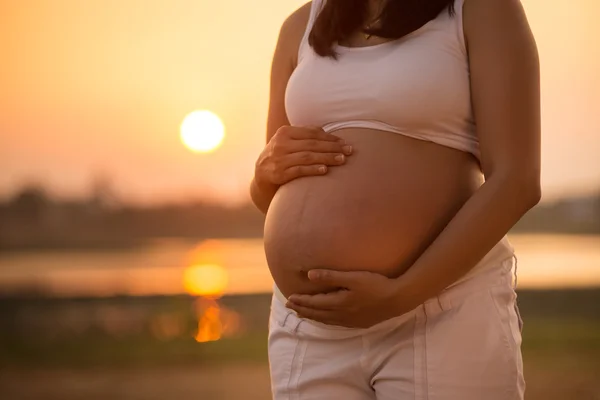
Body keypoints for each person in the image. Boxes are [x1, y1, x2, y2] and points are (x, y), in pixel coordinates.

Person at [250, 0, 540, 398]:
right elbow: (272, 189)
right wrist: (263, 173)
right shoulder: (300, 26)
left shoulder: (481, 10)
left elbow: (517, 180)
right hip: (310, 325)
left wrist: (401, 294)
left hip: (441, 311)